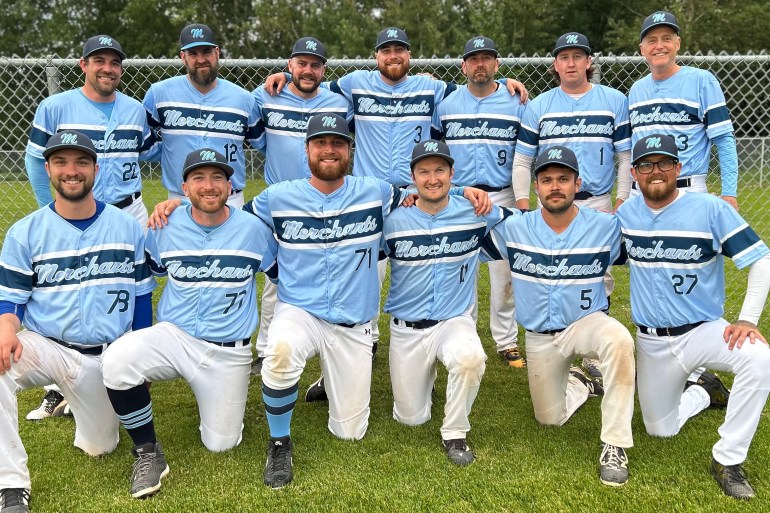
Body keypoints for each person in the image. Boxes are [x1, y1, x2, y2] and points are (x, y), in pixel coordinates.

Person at [264, 30, 526, 396]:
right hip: (368, 197)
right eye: (386, 50)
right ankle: (355, 348)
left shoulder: (431, 89)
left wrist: (504, 81)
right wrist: (284, 76)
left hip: (416, 193)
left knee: (436, 269)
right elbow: (312, 85)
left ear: (409, 54)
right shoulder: (353, 85)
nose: (393, 56)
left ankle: (436, 354)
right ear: (376, 56)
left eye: (399, 49)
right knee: (357, 274)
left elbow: (472, 90)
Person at [234, 113, 489, 488]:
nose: (329, 150)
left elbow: (429, 190)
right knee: (282, 348)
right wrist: (176, 208)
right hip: (300, 310)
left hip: (353, 324)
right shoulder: (278, 197)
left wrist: (466, 190)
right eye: (321, 142)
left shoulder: (377, 192)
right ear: (307, 149)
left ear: (349, 150)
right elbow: (229, 221)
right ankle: (279, 442)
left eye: (337, 143)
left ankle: (332, 378)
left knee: (350, 431)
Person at [101, 148, 278, 499]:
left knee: (222, 444)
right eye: (199, 178)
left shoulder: (254, 230)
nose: (208, 186)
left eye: (217, 178)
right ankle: (147, 451)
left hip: (229, 350)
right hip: (175, 336)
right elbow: (142, 279)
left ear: (231, 186)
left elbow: (279, 277)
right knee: (117, 361)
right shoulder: (164, 227)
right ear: (184, 187)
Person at [0, 130, 155, 513]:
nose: (72, 171)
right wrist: (5, 330)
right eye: (61, 162)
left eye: (81, 162)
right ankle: (11, 485)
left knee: (101, 445)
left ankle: (77, 406)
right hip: (48, 348)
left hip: (107, 358)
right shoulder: (25, 233)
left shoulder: (126, 226)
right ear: (49, 169)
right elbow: (11, 299)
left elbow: (141, 296)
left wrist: (142, 354)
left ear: (95, 169)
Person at [616, 134, 770, 500]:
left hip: (704, 330)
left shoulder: (710, 208)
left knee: (760, 358)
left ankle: (727, 459)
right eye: (647, 165)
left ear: (678, 169)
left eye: (664, 163)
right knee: (660, 430)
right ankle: (704, 391)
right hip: (651, 341)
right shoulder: (626, 214)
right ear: (634, 173)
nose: (657, 172)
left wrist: (747, 318)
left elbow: (761, 260)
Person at [24, 35, 157, 420]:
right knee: (62, 290)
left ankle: (123, 371)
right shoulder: (56, 105)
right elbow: (36, 161)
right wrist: (49, 211)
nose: (107, 68)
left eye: (114, 62)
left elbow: (152, 149)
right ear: (83, 65)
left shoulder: (134, 110)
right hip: (73, 212)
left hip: (128, 211)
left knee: (124, 288)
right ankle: (55, 386)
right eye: (99, 60)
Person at [487, 146, 636, 487]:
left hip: (586, 324)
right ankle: (582, 381)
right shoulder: (514, 227)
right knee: (550, 419)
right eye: (547, 179)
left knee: (618, 340)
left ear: (577, 184)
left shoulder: (606, 227)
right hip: (540, 337)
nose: (556, 186)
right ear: (535, 187)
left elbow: (651, 241)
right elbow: (461, 224)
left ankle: (614, 443)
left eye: (564, 179)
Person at [512, 32, 632, 378]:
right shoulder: (539, 106)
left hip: (595, 200)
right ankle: (555, 343)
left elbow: (625, 157)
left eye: (578, 56)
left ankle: (593, 353)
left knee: (598, 275)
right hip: (550, 204)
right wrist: (523, 206)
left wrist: (620, 201)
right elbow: (523, 161)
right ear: (555, 64)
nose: (571, 63)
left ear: (589, 62)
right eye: (564, 57)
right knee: (548, 274)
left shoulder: (614, 100)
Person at [384, 140, 503, 465]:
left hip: (454, 320)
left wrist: (469, 192)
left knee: (469, 359)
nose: (432, 178)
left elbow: (521, 226)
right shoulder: (394, 219)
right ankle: (428, 380)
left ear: (453, 173)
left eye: (440, 170)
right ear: (413, 176)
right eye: (424, 171)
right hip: (407, 328)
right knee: (410, 418)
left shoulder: (476, 212)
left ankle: (455, 432)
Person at [249, 36, 352, 376]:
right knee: (275, 279)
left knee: (333, 272)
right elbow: (254, 135)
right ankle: (265, 348)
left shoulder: (338, 103)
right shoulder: (265, 96)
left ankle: (338, 343)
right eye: (301, 63)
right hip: (281, 204)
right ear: (289, 65)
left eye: (316, 64)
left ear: (324, 69)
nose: (308, 70)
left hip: (329, 201)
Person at [432, 35, 526, 368]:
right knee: (461, 270)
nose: (480, 64)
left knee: (505, 273)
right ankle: (465, 335)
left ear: (497, 65)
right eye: (474, 59)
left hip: (502, 193)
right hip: (459, 196)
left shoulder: (518, 102)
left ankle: (506, 341)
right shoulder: (446, 104)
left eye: (487, 58)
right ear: (464, 66)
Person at [629, 11, 739, 211]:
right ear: (642, 49)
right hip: (641, 193)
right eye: (652, 40)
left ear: (677, 44)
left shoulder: (702, 81)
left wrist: (729, 193)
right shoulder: (637, 89)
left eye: (667, 39)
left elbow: (724, 139)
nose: (659, 46)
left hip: (686, 190)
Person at [143, 23, 261, 208]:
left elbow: (261, 142)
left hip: (230, 198)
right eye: (193, 54)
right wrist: (169, 152)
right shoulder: (159, 93)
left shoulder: (244, 98)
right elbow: (143, 138)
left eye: (206, 52)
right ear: (183, 57)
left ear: (217, 53)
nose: (200, 59)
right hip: (179, 198)